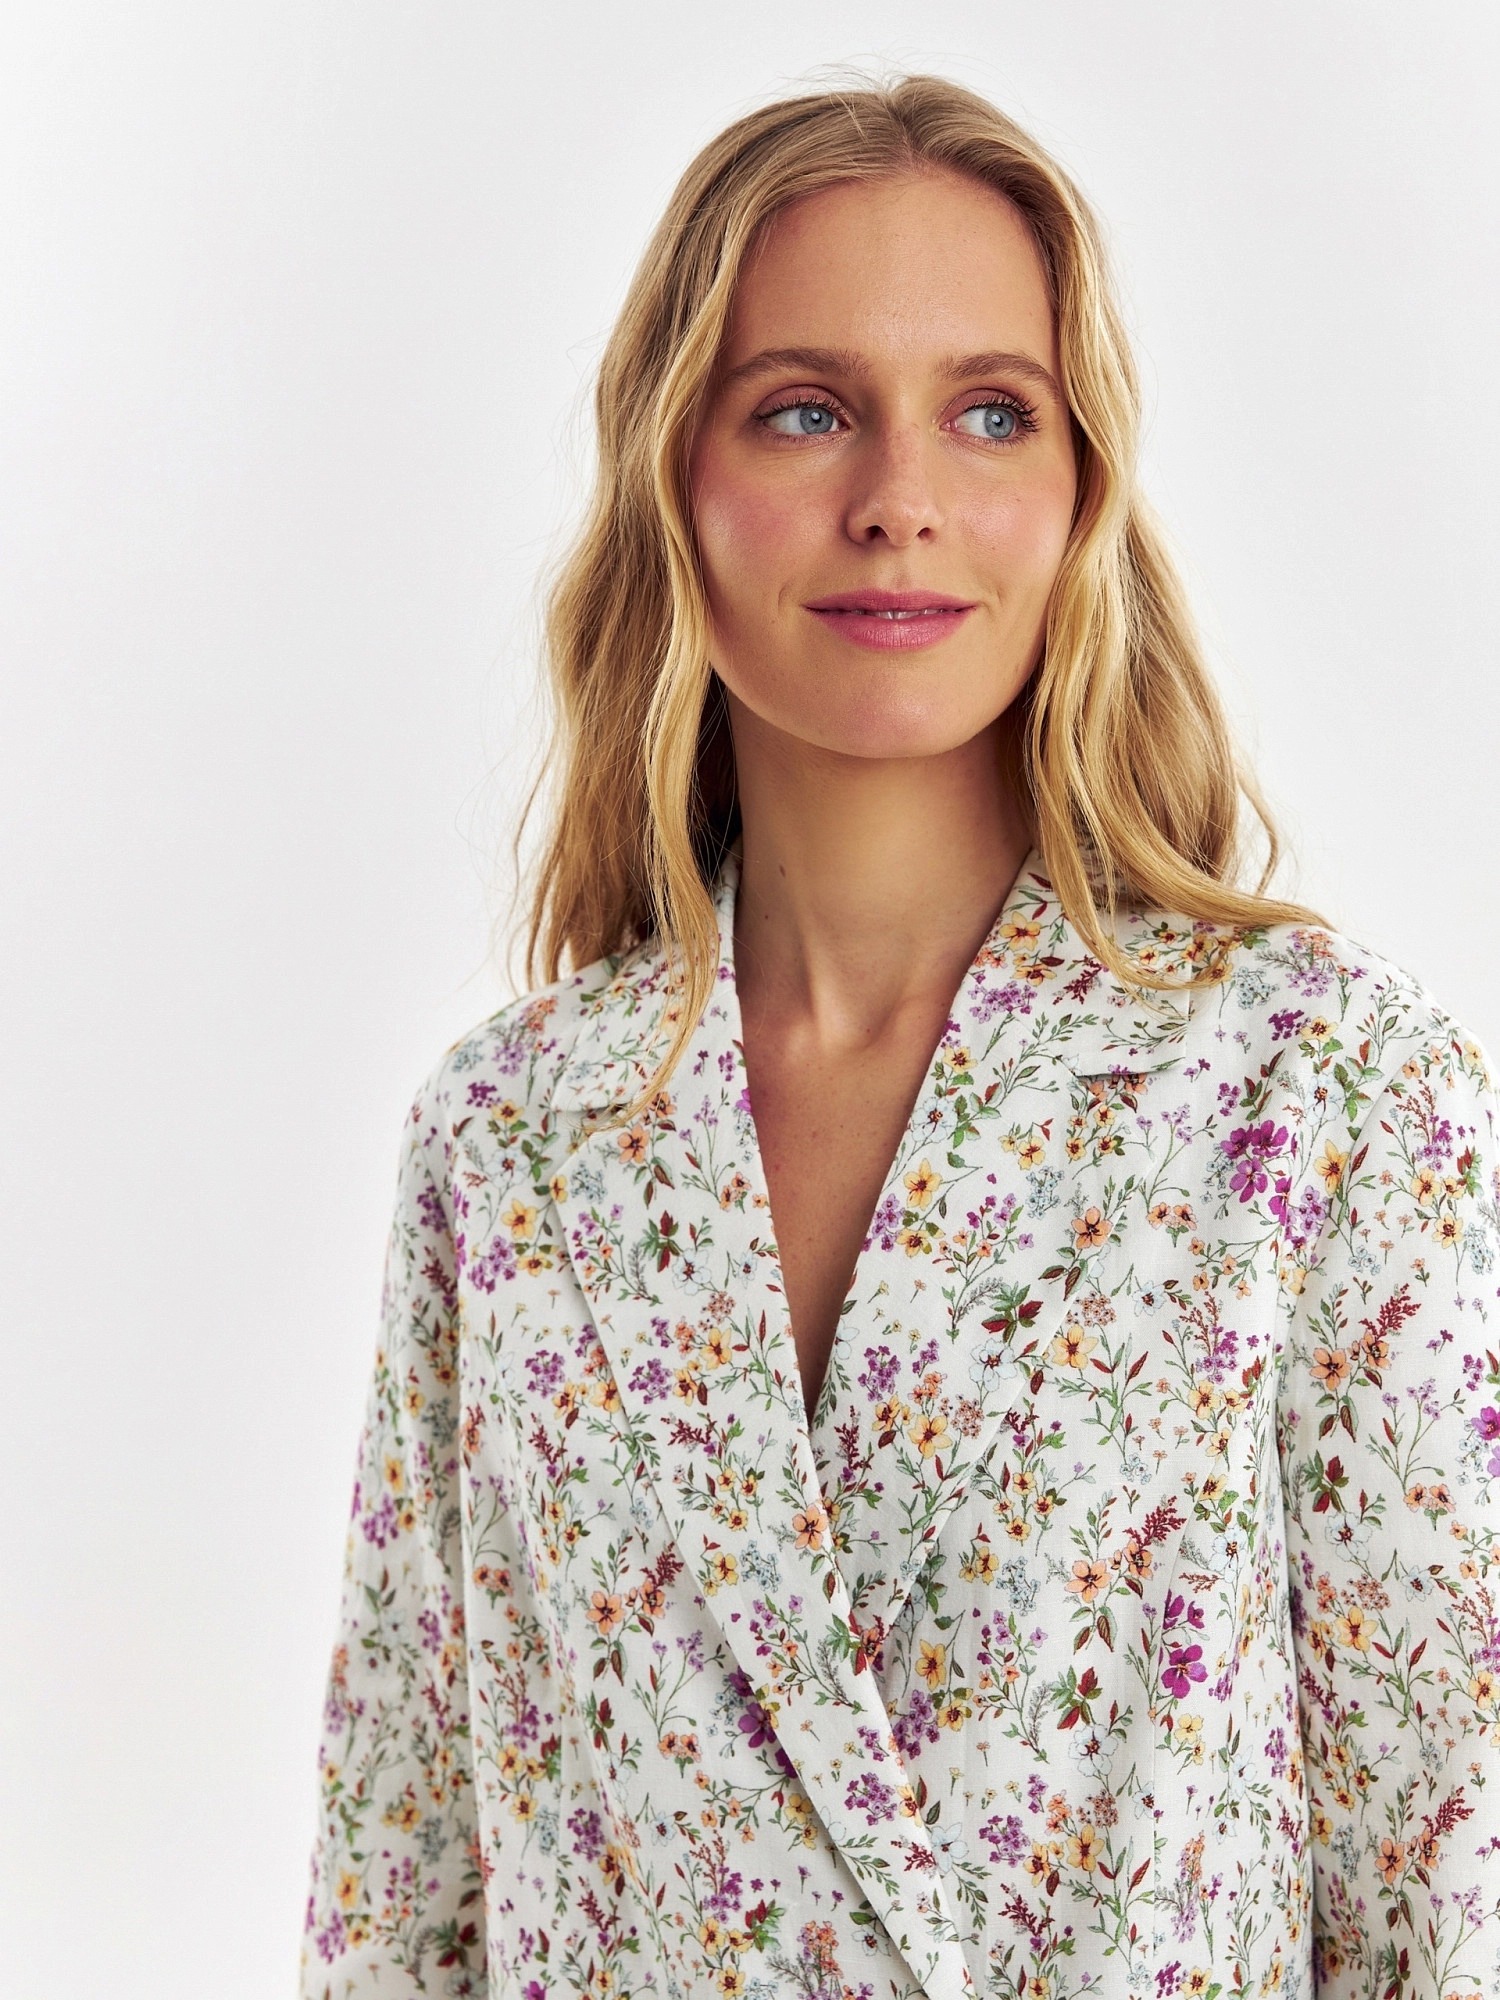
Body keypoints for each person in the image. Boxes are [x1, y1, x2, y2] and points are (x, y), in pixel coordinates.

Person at [298, 75, 1500, 2000]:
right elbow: (401, 1893)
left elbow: (1452, 1877)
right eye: (804, 408)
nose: (901, 500)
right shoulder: (512, 1141)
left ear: (1082, 490)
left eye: (992, 412)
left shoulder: (1315, 1089)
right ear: (673, 476)